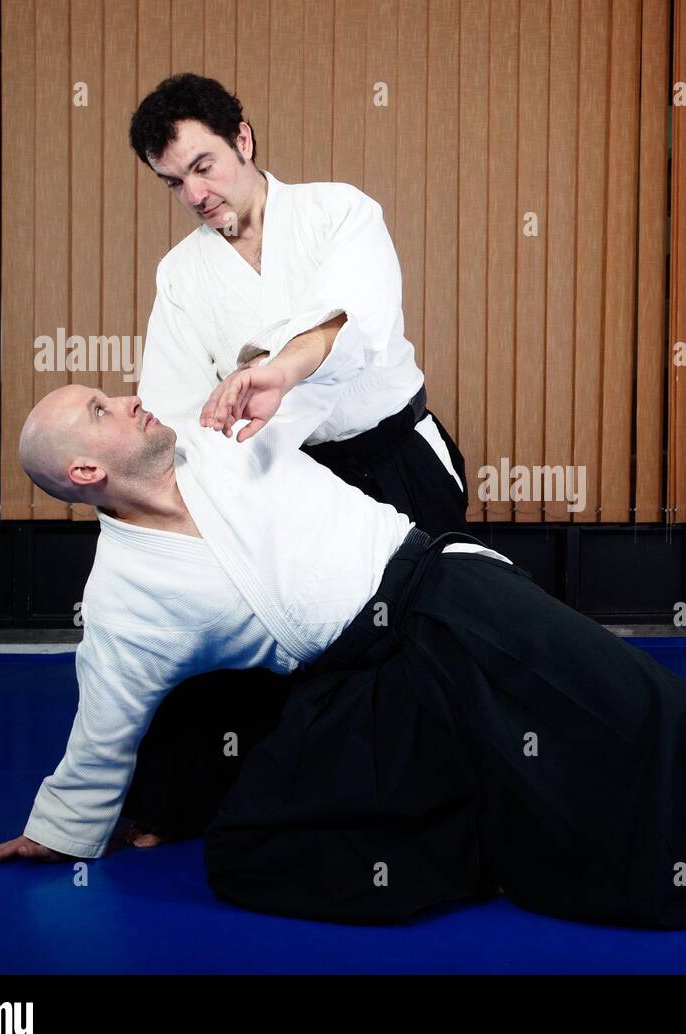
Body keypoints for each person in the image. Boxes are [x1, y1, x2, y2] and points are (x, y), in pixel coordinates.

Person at [0, 316, 686, 930]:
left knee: (618, 693)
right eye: (101, 408)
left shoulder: (225, 431)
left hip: (442, 587)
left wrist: (280, 369)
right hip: (362, 675)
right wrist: (60, 828)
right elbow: (106, 720)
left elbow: (348, 345)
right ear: (86, 473)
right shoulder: (127, 594)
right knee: (259, 855)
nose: (127, 396)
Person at [121, 73, 473, 847]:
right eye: (174, 182)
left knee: (417, 643)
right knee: (238, 628)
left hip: (392, 464)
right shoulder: (182, 275)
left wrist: (279, 368)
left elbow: (354, 324)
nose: (195, 193)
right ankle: (193, 798)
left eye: (205, 165)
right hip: (278, 473)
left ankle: (445, 815)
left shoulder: (337, 211)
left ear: (243, 138)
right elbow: (177, 406)